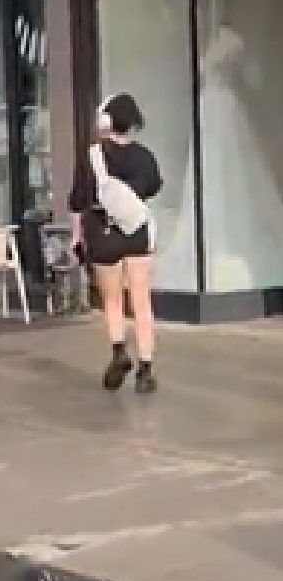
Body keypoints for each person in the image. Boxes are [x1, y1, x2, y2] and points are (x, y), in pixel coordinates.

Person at [69, 93, 162, 394]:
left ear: (105, 120)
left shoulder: (93, 156)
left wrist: (76, 237)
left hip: (104, 231)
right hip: (137, 232)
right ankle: (146, 369)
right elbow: (154, 186)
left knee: (112, 299)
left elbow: (78, 200)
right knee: (141, 301)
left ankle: (119, 351)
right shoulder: (145, 156)